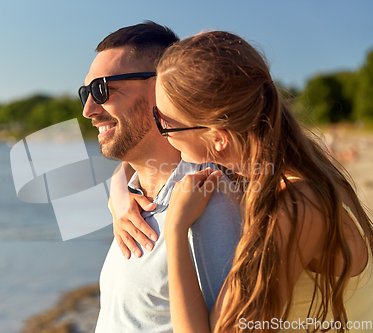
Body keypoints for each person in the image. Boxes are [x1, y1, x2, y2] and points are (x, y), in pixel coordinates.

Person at [152, 30, 373, 332]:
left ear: (218, 138)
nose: (159, 130)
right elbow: (130, 161)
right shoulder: (305, 167)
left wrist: (175, 230)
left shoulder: (297, 205)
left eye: (163, 122)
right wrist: (119, 198)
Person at [78, 22, 242, 332]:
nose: (89, 109)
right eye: (85, 92)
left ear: (163, 87)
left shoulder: (211, 206)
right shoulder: (133, 198)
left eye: (102, 89)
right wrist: (118, 188)